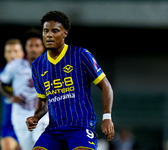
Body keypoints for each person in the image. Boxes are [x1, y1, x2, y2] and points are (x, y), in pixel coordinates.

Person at [26, 10, 115, 150]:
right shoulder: (37, 65)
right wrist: (36, 117)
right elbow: (43, 99)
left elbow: (106, 86)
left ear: (64, 33)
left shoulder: (80, 55)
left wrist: (107, 117)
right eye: (45, 31)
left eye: (55, 31)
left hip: (80, 126)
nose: (49, 35)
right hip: (54, 129)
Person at [0, 29, 49, 150]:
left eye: (37, 45)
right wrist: (11, 96)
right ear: (25, 47)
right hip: (20, 117)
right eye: (30, 45)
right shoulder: (14, 65)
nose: (34, 49)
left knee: (41, 145)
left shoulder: (50, 66)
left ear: (43, 47)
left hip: (42, 116)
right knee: (27, 147)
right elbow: (1, 84)